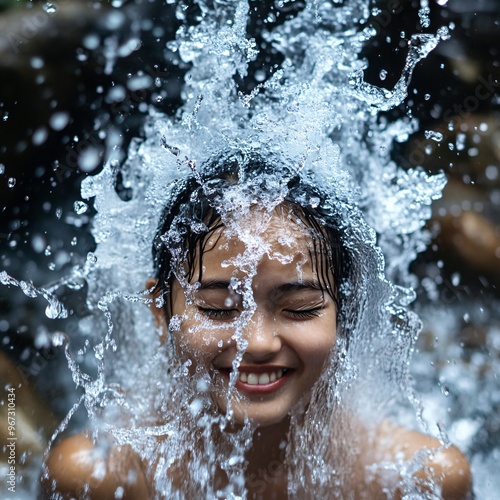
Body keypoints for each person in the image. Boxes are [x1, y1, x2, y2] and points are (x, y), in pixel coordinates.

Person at [40, 151, 471, 499]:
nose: (258, 342)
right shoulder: (98, 480)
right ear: (161, 313)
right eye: (217, 308)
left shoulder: (419, 481)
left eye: (300, 308)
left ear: (346, 316)